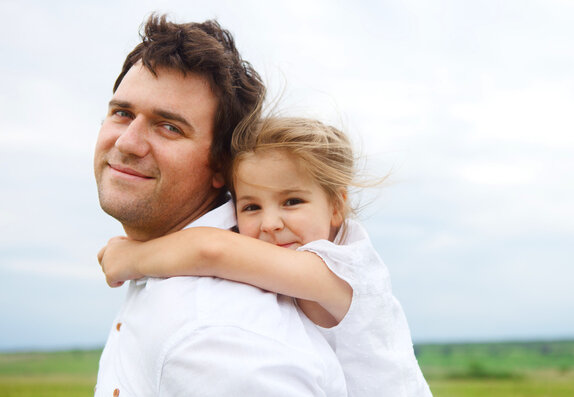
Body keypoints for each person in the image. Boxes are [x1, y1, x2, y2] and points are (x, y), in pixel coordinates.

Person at [93, 14, 348, 396]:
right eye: (122, 113)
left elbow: (211, 251)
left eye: (169, 126)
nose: (128, 142)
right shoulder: (178, 288)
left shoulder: (215, 337)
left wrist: (130, 258)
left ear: (221, 165)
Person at [98, 117, 433, 396]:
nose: (270, 224)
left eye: (291, 202)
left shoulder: (346, 270)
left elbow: (211, 250)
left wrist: (131, 258)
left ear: (336, 206)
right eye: (251, 207)